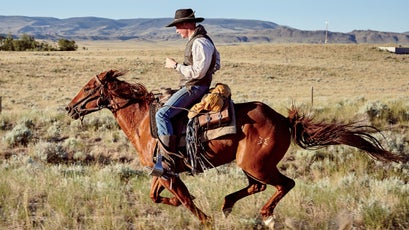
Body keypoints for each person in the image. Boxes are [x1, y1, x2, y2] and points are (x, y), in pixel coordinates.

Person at [153, 8, 220, 175]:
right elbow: (216, 63)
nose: (176, 31)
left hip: (195, 87)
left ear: (186, 24)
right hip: (195, 85)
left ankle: (168, 162)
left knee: (161, 115)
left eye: (177, 26)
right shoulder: (203, 40)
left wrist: (176, 66)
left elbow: (198, 72)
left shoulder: (199, 42)